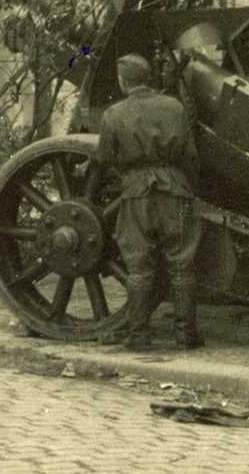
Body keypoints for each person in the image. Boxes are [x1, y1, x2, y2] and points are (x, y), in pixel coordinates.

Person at [95, 53, 203, 350]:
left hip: (136, 193)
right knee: (182, 264)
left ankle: (139, 335)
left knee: (139, 266)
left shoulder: (113, 114)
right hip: (175, 190)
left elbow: (104, 158)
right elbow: (190, 155)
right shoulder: (174, 107)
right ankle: (186, 335)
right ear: (148, 78)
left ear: (122, 81)